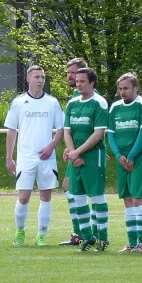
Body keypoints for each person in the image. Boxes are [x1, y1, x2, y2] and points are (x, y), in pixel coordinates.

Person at [5, 65, 64, 247]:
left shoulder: (52, 102)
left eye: (42, 77)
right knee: (24, 197)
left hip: (47, 158)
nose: (40, 80)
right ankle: (20, 231)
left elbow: (61, 130)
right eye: (37, 77)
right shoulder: (18, 102)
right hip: (26, 158)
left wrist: (51, 147)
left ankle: (41, 235)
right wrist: (9, 157)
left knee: (45, 196)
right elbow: (12, 131)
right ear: (28, 79)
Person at [64, 67, 109, 252]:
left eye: (83, 81)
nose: (78, 84)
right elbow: (67, 131)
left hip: (93, 155)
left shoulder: (99, 103)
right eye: (77, 80)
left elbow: (98, 134)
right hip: (76, 156)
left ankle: (102, 237)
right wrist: (73, 153)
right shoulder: (72, 104)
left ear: (92, 83)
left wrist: (77, 153)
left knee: (97, 196)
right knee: (78, 197)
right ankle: (87, 236)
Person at [107, 73, 142, 253]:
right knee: (127, 199)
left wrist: (131, 155)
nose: (122, 92)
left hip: (139, 157)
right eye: (120, 88)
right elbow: (110, 133)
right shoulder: (115, 107)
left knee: (138, 198)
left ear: (136, 88)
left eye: (126, 88)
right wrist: (118, 155)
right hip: (121, 159)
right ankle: (131, 243)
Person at [59, 58, 89, 246]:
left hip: (85, 153)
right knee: (69, 188)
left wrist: (77, 152)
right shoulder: (74, 96)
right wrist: (69, 149)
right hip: (75, 151)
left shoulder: (90, 96)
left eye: (73, 73)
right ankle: (79, 233)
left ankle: (88, 233)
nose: (70, 76)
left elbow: (94, 128)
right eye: (69, 73)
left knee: (83, 192)